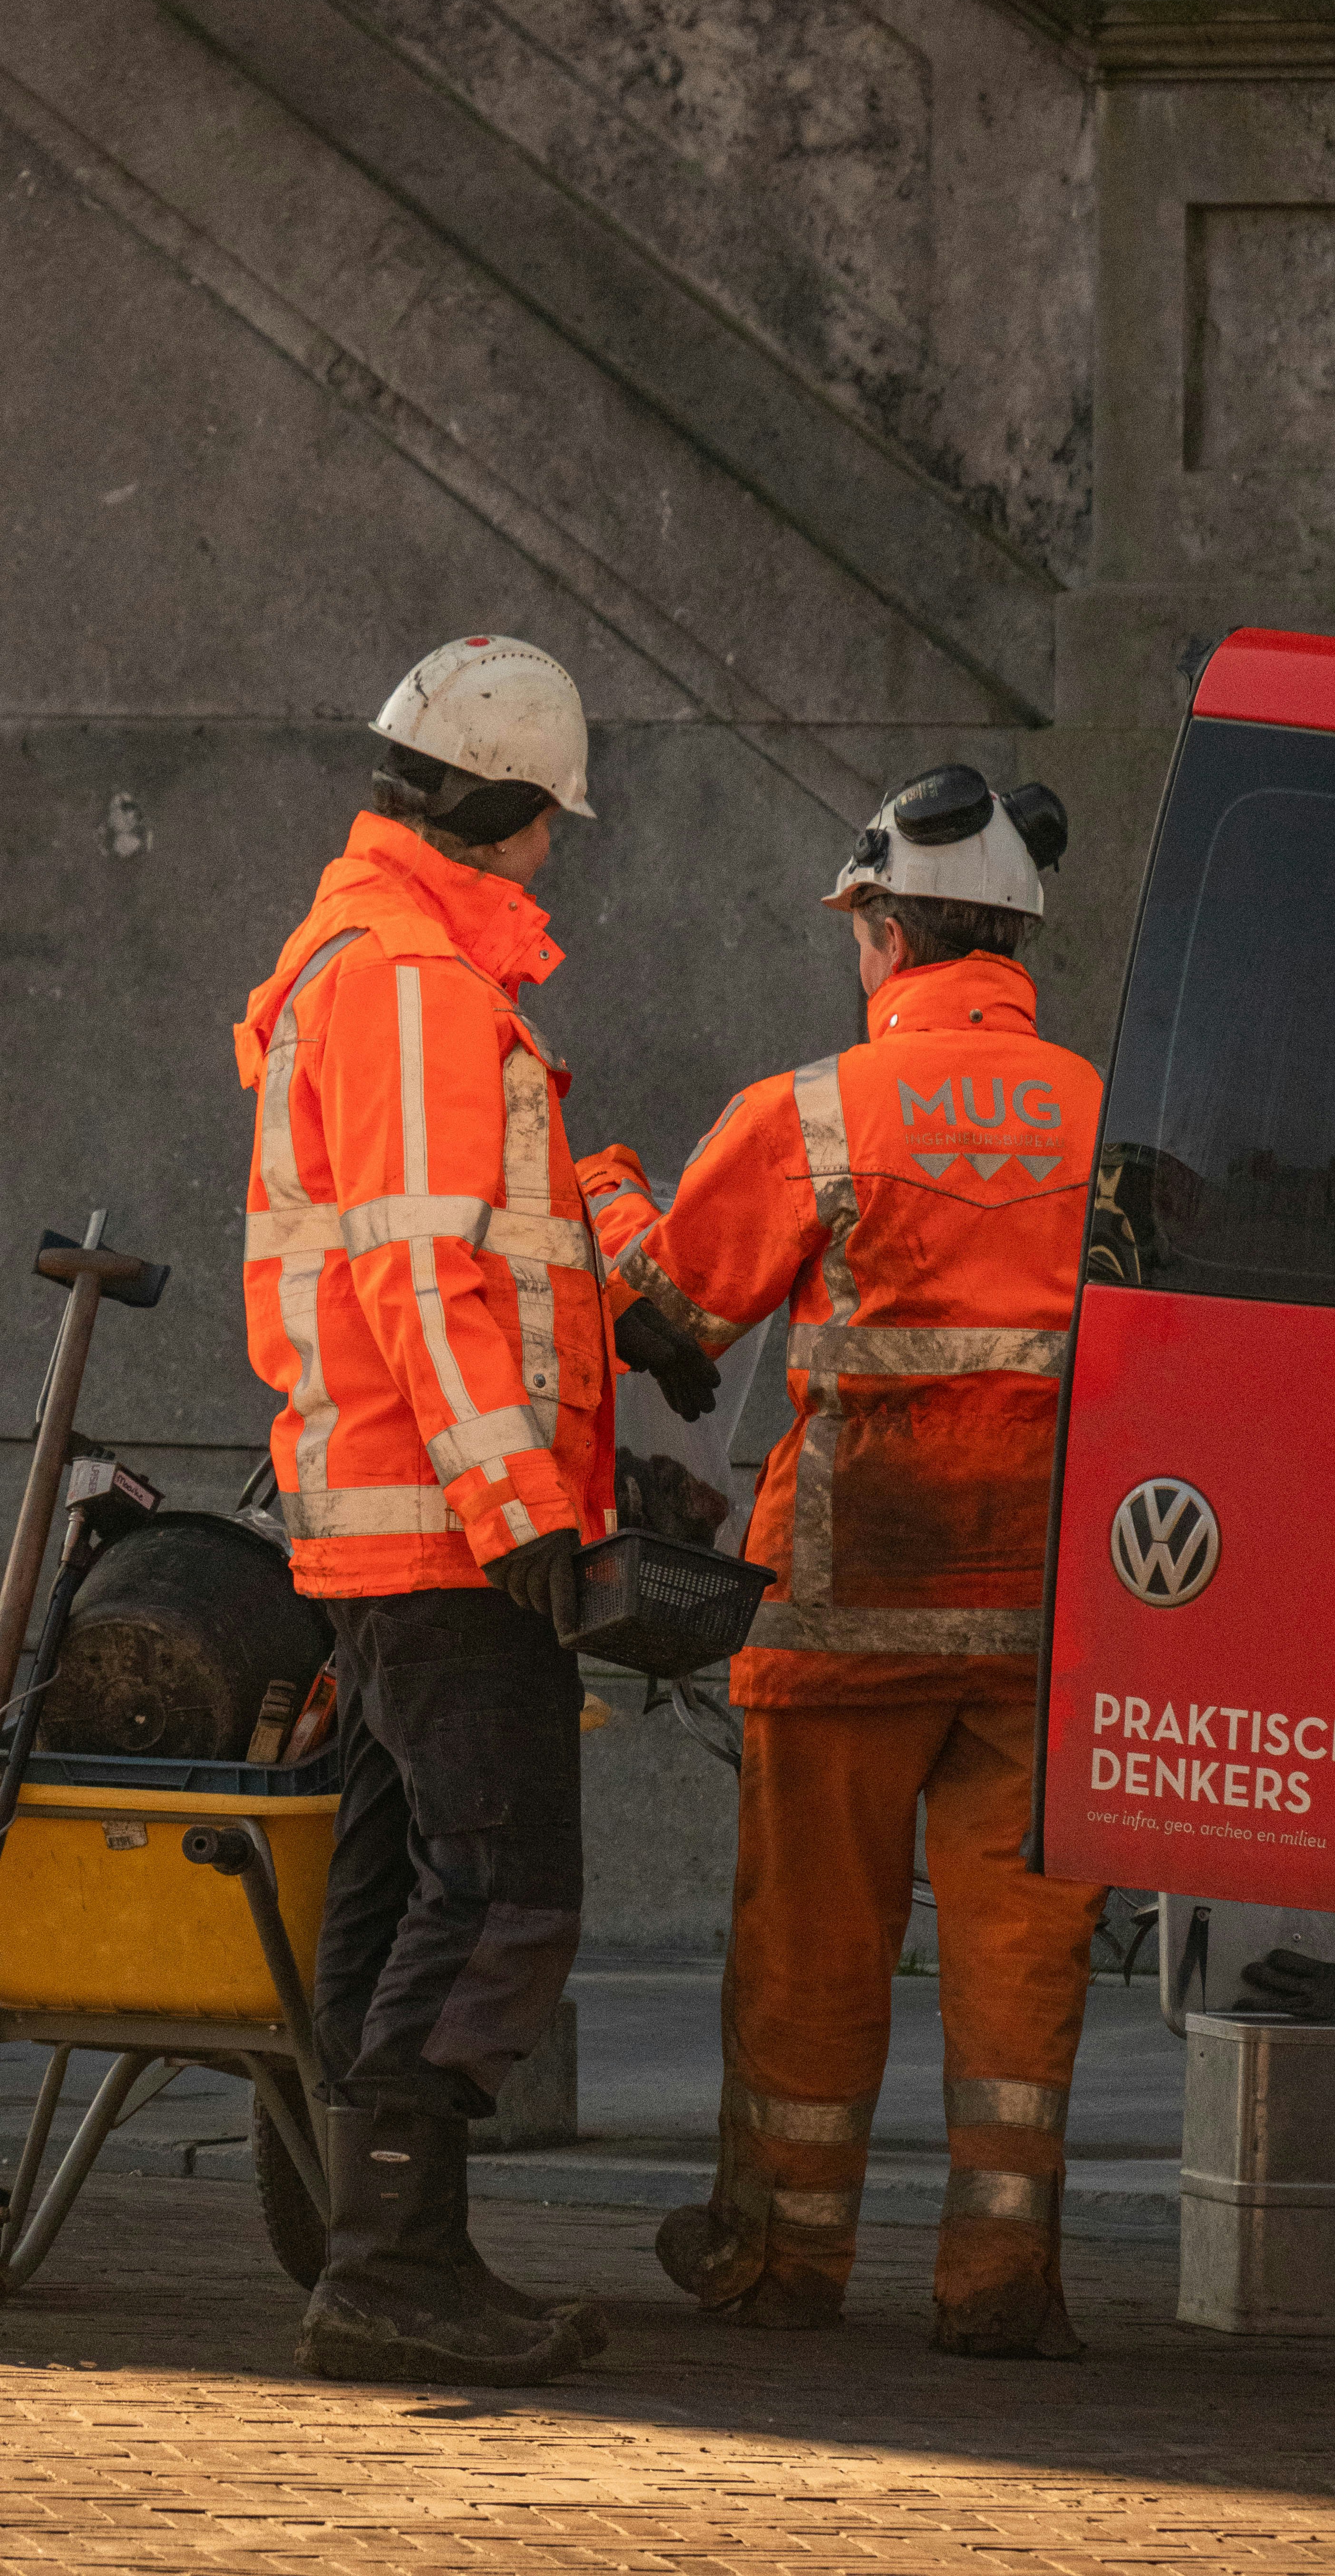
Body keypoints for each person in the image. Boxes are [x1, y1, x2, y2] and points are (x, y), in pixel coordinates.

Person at [234, 634, 717, 2386]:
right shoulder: (417, 985)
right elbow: (426, 1269)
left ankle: (367, 2248)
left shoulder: (393, 971)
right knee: (509, 1883)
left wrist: (632, 1296)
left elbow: (495, 1209)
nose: (552, 856)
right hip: (447, 1526)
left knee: (404, 1876)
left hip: (387, 1520)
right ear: (512, 811)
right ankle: (388, 2259)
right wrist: (521, 1502)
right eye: (548, 827)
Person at [597, 764, 1109, 2357]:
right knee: (1024, 1960)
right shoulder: (1117, 1115)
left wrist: (613, 1193)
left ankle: (784, 2261)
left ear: (886, 932)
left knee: (816, 1952)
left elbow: (669, 1319)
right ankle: (1003, 2278)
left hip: (841, 1615)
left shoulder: (814, 1111)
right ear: (1018, 949)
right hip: (1046, 1621)